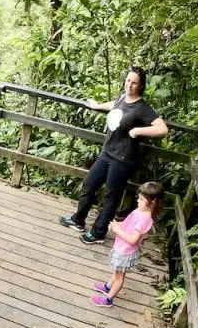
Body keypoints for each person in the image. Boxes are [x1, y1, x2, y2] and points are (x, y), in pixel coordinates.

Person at [60, 66, 168, 245]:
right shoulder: (121, 98)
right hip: (107, 153)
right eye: (128, 81)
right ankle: (78, 219)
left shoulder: (142, 108)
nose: (130, 85)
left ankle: (98, 233)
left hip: (123, 159)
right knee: (89, 184)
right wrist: (96, 106)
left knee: (111, 196)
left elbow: (162, 129)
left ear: (140, 86)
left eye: (134, 83)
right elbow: (113, 105)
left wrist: (138, 130)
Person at [91, 182, 163, 307]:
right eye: (138, 198)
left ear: (153, 202)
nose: (138, 201)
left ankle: (108, 299)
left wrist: (117, 230)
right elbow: (130, 225)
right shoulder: (140, 211)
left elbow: (132, 240)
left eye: (141, 199)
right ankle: (108, 286)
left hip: (125, 251)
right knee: (117, 271)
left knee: (119, 277)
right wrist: (119, 225)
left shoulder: (144, 219)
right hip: (122, 247)